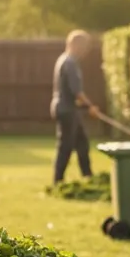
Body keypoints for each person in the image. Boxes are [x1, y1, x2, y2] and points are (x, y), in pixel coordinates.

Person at [51, 30, 101, 184]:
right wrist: (90, 107)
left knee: (82, 143)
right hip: (67, 110)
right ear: (75, 44)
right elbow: (77, 92)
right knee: (66, 145)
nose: (85, 51)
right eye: (84, 46)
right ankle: (58, 180)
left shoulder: (63, 60)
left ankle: (88, 176)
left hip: (68, 109)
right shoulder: (70, 63)